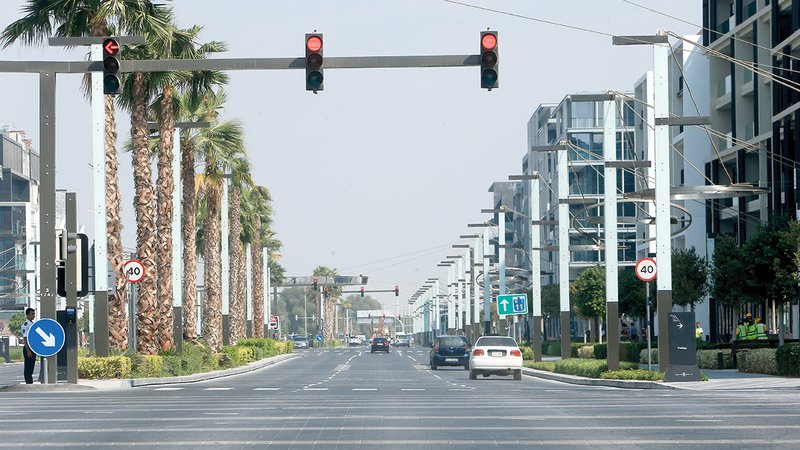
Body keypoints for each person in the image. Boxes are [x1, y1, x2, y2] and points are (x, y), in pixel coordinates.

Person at [20, 307, 36, 384]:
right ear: (27, 315)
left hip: (33, 348)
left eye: (34, 314)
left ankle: (30, 382)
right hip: (28, 348)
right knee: (28, 368)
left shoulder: (32, 324)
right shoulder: (25, 325)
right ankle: (28, 383)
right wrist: (28, 351)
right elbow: (25, 338)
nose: (33, 316)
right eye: (32, 314)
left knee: (32, 367)